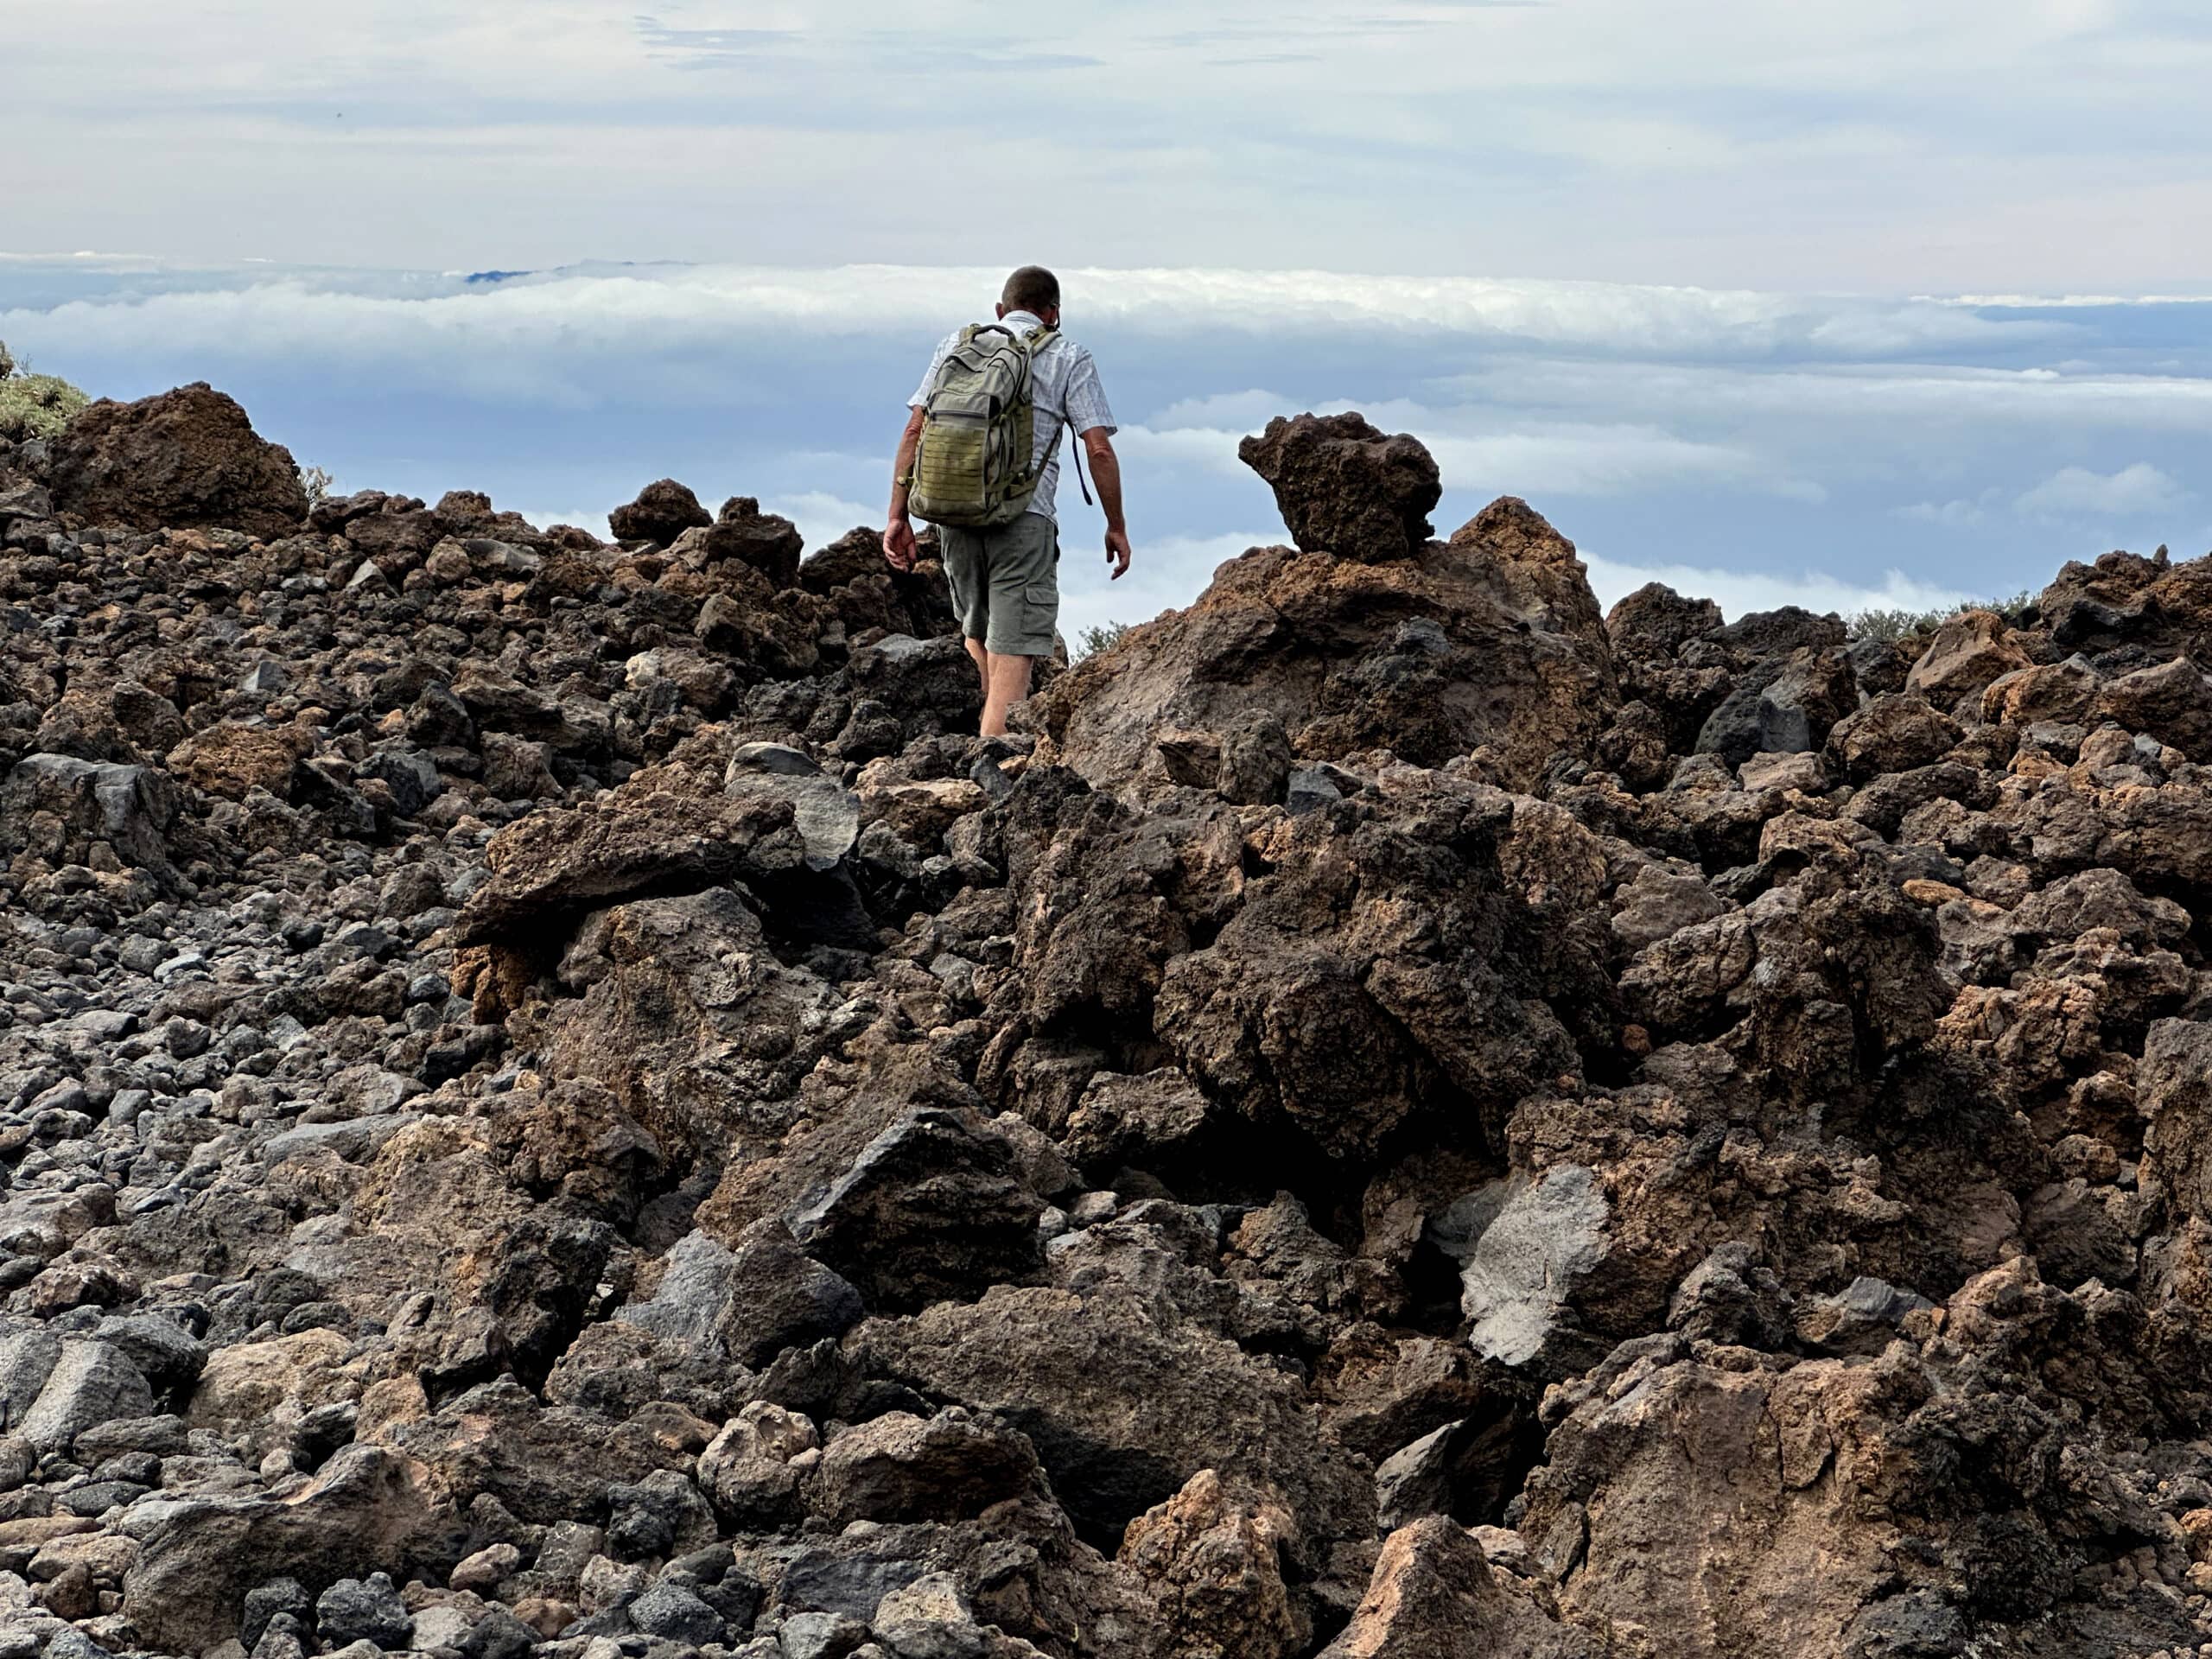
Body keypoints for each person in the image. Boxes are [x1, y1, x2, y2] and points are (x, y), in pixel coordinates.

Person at [882, 265, 1130, 736]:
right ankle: (993, 776)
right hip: (1024, 517)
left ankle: (983, 742)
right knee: (1013, 652)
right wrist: (1115, 525)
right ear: (1053, 314)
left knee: (978, 633)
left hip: (951, 509)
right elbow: (1097, 447)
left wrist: (898, 517)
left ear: (1001, 310)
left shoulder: (957, 345)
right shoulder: (1068, 355)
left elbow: (915, 429)